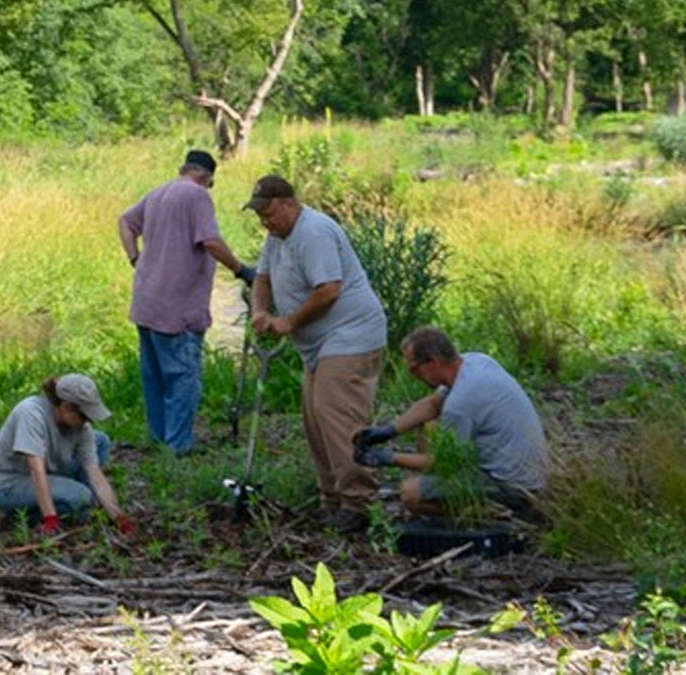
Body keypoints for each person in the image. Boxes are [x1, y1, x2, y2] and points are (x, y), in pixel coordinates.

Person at [245, 175, 387, 534]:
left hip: (351, 335)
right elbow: (262, 279)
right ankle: (332, 499)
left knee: (339, 417)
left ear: (290, 204)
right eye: (260, 215)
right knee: (315, 419)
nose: (265, 221)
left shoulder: (314, 232)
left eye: (270, 213)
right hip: (320, 344)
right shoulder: (277, 237)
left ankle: (358, 502)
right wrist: (259, 312)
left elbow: (328, 290)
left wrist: (289, 322)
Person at [118, 149, 256, 455]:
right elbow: (210, 240)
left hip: (147, 302)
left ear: (184, 169)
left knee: (154, 377)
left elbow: (125, 222)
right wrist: (242, 270)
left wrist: (135, 258)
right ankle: (177, 448)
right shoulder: (197, 196)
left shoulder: (157, 193)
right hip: (177, 308)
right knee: (182, 379)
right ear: (206, 178)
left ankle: (160, 440)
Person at [353, 326, 549, 523]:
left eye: (413, 368)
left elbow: (441, 463)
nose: (412, 375)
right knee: (430, 424)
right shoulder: (476, 362)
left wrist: (388, 458)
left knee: (411, 493)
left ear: (433, 361)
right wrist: (387, 431)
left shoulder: (460, 404)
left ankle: (502, 515)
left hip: (513, 487)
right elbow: (432, 404)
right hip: (529, 476)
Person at [0, 374, 135, 537]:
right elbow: (36, 470)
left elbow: (95, 475)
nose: (88, 421)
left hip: (47, 472)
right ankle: (19, 515)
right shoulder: (31, 413)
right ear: (65, 407)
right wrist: (50, 519)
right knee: (80, 497)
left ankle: (78, 503)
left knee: (100, 441)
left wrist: (119, 517)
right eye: (84, 415)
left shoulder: (82, 428)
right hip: (10, 484)